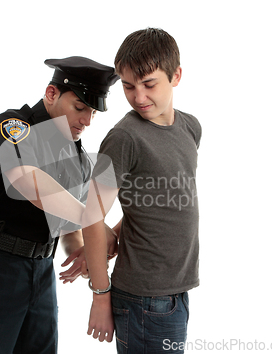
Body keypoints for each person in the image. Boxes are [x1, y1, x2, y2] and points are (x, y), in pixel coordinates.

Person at [0, 56, 119, 354]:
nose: (86, 121)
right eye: (79, 108)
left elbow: (63, 220)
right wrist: (93, 223)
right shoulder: (12, 126)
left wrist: (85, 249)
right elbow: (27, 182)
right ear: (51, 94)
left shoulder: (77, 155)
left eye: (92, 112)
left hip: (41, 273)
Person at [78, 28, 202, 352]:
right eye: (128, 86)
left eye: (149, 84)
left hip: (177, 290)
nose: (139, 97)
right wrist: (100, 296)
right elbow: (90, 216)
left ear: (175, 75)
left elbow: (162, 201)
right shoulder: (125, 138)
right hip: (143, 299)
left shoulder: (190, 127)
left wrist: (118, 234)